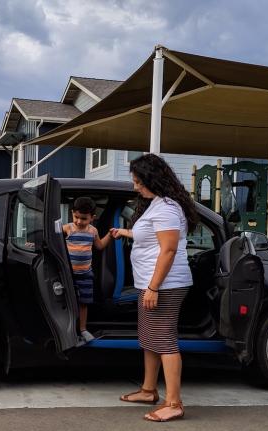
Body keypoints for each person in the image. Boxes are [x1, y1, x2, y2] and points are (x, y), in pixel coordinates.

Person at [111, 154, 199, 422]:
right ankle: (149, 390)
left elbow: (169, 250)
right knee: (150, 339)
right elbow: (150, 236)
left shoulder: (167, 208)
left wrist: (153, 287)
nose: (135, 186)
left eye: (139, 182)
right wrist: (124, 233)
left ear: (153, 179)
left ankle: (174, 403)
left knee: (164, 342)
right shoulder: (157, 205)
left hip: (165, 285)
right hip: (153, 284)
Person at [63, 196, 113, 342]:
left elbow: (100, 246)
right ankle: (68, 328)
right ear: (72, 213)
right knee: (68, 302)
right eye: (76, 217)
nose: (78, 221)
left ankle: (83, 329)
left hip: (85, 274)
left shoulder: (93, 231)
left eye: (83, 218)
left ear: (92, 217)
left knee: (84, 303)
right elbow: (52, 239)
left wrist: (110, 235)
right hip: (69, 274)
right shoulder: (67, 228)